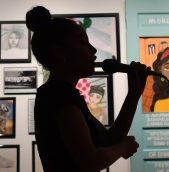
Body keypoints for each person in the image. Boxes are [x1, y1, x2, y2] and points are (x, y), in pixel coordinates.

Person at [26, 6, 149, 172]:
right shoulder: (58, 94)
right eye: (83, 42)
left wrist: (134, 94)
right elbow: (89, 161)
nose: (93, 50)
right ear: (59, 52)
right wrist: (122, 148)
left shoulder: (63, 93)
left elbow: (108, 139)